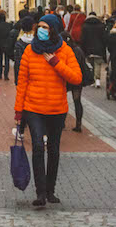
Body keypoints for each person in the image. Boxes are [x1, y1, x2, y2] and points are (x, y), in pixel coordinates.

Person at [14, 14, 83, 208]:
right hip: (33, 107)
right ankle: (40, 192)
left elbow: (76, 77)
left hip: (56, 108)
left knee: (53, 149)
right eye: (40, 27)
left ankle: (51, 190)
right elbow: (23, 83)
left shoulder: (65, 50)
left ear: (53, 29)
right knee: (37, 147)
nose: (41, 30)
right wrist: (18, 110)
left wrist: (56, 63)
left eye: (45, 27)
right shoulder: (29, 51)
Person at [62, 32, 89, 132]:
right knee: (77, 101)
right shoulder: (78, 49)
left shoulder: (63, 51)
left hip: (66, 78)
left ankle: (62, 123)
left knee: (62, 101)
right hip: (77, 79)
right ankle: (78, 124)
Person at [81, 12, 107, 89]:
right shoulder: (101, 26)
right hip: (99, 48)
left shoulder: (84, 26)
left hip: (88, 48)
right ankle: (98, 80)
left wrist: (83, 49)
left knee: (91, 63)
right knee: (98, 63)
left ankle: (93, 79)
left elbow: (83, 39)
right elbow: (104, 38)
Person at [0, 11, 15, 80]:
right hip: (7, 44)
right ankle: (6, 75)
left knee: (0, 59)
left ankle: (0, 74)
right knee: (7, 60)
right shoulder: (9, 25)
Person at [12, 14, 35, 83]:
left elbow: (18, 63)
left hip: (24, 75)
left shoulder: (19, 42)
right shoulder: (38, 41)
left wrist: (17, 80)